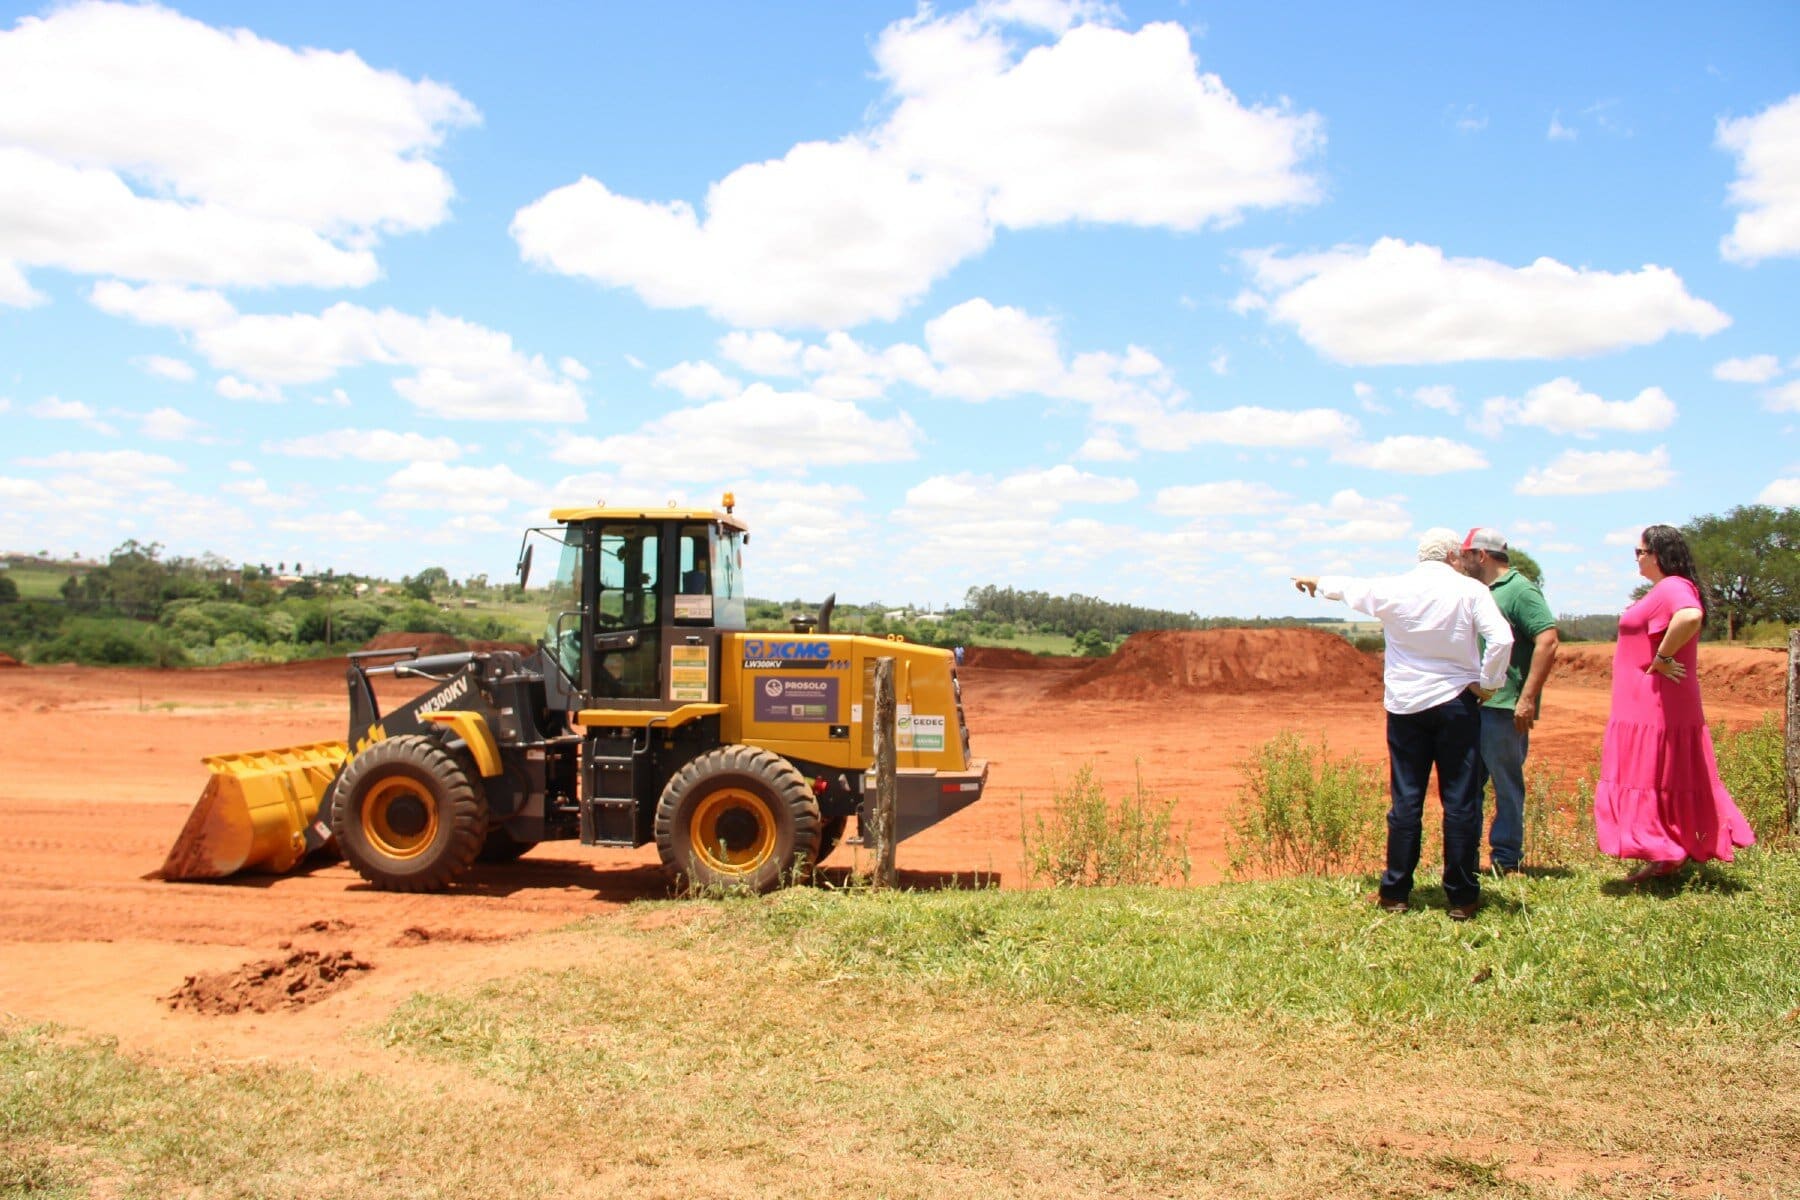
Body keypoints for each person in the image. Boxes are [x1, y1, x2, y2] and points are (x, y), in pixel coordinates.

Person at [1293, 529, 1512, 920]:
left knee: (1406, 799)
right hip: (1457, 703)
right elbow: (1501, 639)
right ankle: (1461, 896)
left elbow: (1351, 589)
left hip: (1405, 706)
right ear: (1451, 556)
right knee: (1460, 800)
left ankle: (1395, 891)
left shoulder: (1394, 589)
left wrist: (1316, 582)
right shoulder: (1470, 591)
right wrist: (1490, 684)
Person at [1593, 524, 1754, 882]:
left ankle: (1664, 850)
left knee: (1654, 773)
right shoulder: (1665, 589)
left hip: (1656, 704)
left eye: (1640, 552)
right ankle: (1668, 851)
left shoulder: (1673, 587)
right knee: (1664, 773)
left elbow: (1690, 616)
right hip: (1647, 704)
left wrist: (1662, 656)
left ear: (1658, 554)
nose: (1637, 558)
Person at [1458, 528, 1559, 875]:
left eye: (1465, 553)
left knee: (1505, 784)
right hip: (1475, 704)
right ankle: (1467, 858)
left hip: (1504, 708)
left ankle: (1506, 858)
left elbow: (1547, 640)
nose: (1461, 560)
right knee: (1469, 785)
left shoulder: (1520, 591)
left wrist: (1526, 698)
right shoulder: (1481, 591)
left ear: (1481, 556)